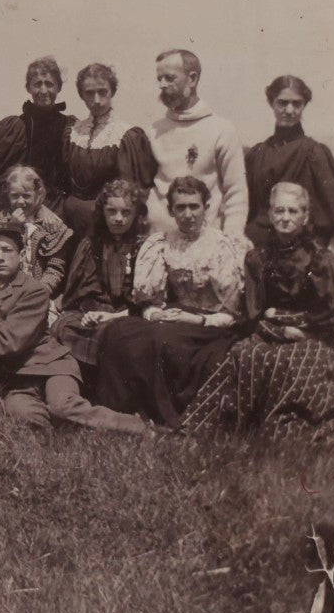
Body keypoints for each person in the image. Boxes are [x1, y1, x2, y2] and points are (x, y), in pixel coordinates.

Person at [0, 217, 148, 435]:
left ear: (21, 255)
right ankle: (66, 429)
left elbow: (4, 343)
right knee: (24, 416)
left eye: (7, 250)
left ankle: (140, 427)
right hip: (17, 379)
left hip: (51, 367)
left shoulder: (33, 290)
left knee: (63, 407)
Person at [181, 182, 334, 440]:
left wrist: (297, 326)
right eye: (279, 211)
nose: (285, 218)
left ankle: (283, 430)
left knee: (295, 361)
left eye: (293, 211)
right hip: (270, 331)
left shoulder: (321, 259)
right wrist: (275, 325)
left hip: (313, 334)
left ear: (305, 216)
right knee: (244, 353)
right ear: (270, 214)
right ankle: (234, 426)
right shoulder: (258, 258)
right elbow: (254, 311)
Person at [94, 176, 245, 426]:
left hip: (211, 325)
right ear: (170, 210)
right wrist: (154, 313)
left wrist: (198, 319)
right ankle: (120, 408)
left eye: (194, 206)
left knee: (161, 340)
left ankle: (160, 413)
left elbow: (233, 312)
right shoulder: (162, 242)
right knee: (117, 331)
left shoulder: (221, 246)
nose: (187, 214)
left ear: (206, 208)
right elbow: (151, 299)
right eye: (180, 207)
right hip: (174, 316)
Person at [244, 74, 334, 247]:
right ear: (271, 103)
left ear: (304, 105)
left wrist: (312, 255)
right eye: (282, 102)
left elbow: (330, 216)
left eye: (297, 103)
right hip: (257, 248)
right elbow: (244, 207)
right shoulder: (257, 154)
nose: (289, 110)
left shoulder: (314, 153)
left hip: (298, 251)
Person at [147, 49, 248, 240]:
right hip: (158, 243)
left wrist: (232, 239)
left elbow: (236, 192)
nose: (162, 85)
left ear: (192, 79)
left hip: (205, 245)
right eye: (159, 79)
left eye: (169, 78)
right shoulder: (152, 131)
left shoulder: (222, 130)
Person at [51, 178, 147, 371]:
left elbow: (143, 300)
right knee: (65, 327)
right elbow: (83, 291)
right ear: (102, 212)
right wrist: (89, 313)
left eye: (126, 212)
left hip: (127, 314)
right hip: (93, 311)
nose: (118, 218)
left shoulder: (143, 248)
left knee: (117, 336)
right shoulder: (92, 245)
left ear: (136, 214)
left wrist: (113, 315)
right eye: (112, 211)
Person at [61, 62, 156, 234]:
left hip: (106, 226)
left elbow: (134, 193)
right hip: (69, 223)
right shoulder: (72, 132)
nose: (96, 100)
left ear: (112, 91)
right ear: (81, 95)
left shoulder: (126, 136)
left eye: (102, 91)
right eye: (89, 93)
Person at [0, 56, 76, 212]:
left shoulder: (70, 126)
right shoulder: (16, 126)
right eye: (37, 84)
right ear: (28, 88)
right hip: (20, 201)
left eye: (50, 84)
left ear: (59, 88)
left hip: (56, 204)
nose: (44, 91)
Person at [0, 165, 72, 296]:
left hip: (39, 292)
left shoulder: (51, 224)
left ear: (38, 195)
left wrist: (39, 292)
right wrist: (13, 228)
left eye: (26, 196)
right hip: (4, 289)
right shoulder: (0, 221)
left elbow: (55, 268)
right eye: (15, 196)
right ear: (7, 195)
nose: (21, 202)